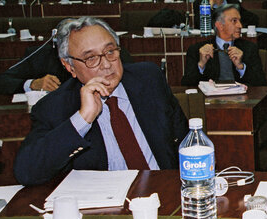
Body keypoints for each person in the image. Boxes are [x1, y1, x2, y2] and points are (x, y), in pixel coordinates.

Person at [13, 17, 188, 185]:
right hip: (107, 208)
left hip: (164, 192)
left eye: (110, 51)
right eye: (91, 58)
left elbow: (186, 140)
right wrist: (83, 119)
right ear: (69, 67)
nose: (106, 64)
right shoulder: (54, 107)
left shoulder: (149, 79)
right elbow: (26, 173)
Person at [0, 18, 132, 95]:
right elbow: (2, 81)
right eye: (90, 57)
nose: (106, 64)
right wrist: (32, 84)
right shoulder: (41, 55)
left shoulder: (114, 53)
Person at [181, 3, 266, 87]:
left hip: (240, 98)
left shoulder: (249, 48)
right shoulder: (196, 50)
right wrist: (201, 64)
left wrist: (241, 67)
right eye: (234, 21)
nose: (240, 25)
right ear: (220, 25)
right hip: (210, 99)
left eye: (240, 21)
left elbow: (261, 83)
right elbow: (186, 85)